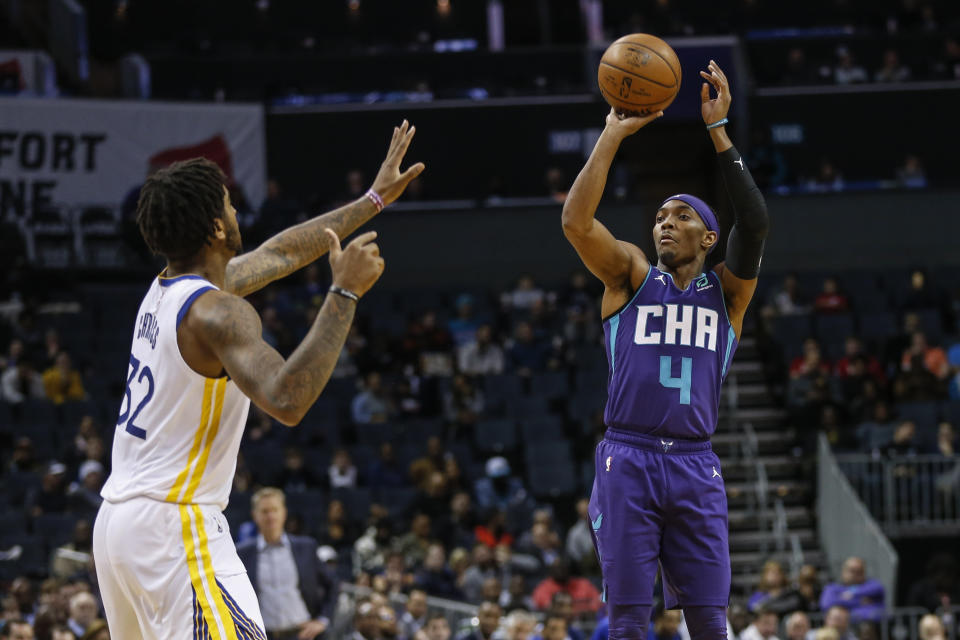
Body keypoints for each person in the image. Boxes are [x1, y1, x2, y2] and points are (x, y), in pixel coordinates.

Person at [92, 120, 424, 639]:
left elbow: (280, 254)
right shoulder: (219, 315)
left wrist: (373, 200)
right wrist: (345, 294)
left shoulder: (166, 291)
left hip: (116, 528)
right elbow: (287, 399)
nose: (235, 209)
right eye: (227, 203)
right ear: (216, 230)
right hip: (173, 528)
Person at [561, 60, 768, 640]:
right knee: (628, 618)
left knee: (709, 617)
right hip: (627, 456)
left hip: (695, 463)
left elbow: (753, 225)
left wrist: (719, 131)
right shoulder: (629, 275)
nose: (665, 224)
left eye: (682, 216)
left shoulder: (726, 295)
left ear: (708, 238)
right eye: (659, 216)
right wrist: (612, 133)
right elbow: (576, 223)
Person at [235, 488, 335, 639]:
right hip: (264, 635)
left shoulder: (306, 547)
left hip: (302, 634)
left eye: (275, 510)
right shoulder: (243, 553)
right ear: (254, 516)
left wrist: (323, 619)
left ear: (284, 513)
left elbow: (333, 584)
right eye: (264, 511)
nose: (270, 516)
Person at [819, 558, 885, 623]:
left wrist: (851, 595)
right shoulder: (832, 588)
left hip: (874, 627)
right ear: (843, 571)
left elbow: (879, 589)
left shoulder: (872, 585)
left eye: (860, 571)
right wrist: (859, 601)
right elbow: (826, 604)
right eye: (852, 571)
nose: (855, 575)